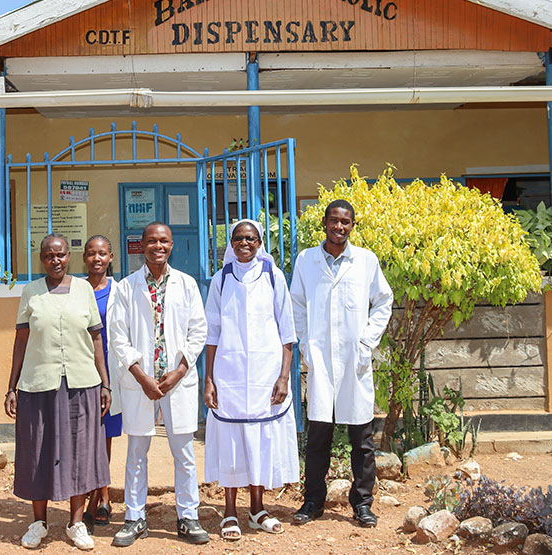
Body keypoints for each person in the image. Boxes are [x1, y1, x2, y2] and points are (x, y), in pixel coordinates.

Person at [290, 200, 393, 528]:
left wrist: (366, 342)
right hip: (320, 359)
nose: (339, 227)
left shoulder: (365, 261)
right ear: (324, 222)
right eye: (334, 221)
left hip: (354, 360)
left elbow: (384, 301)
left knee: (362, 439)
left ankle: (362, 504)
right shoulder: (306, 260)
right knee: (318, 436)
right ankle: (313, 501)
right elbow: (296, 305)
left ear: (352, 225)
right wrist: (305, 344)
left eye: (345, 222)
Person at [5, 233, 111, 551]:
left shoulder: (83, 290)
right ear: (41, 259)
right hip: (38, 384)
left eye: (61, 255)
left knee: (80, 452)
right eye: (49, 256)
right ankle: (39, 522)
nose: (56, 261)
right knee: (38, 450)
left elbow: (95, 340)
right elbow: (21, 341)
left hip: (81, 384)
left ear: (69, 256)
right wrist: (11, 387)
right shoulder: (31, 292)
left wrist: (105, 383)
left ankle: (76, 524)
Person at [108, 221, 209, 547]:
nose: (157, 246)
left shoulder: (187, 284)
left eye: (163, 241)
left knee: (183, 451)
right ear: (142, 245)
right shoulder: (127, 287)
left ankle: (187, 516)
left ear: (171, 245)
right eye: (151, 241)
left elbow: (198, 330)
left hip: (177, 380)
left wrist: (179, 371)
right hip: (142, 381)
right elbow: (118, 336)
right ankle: (135, 517)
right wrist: (141, 375)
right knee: (137, 451)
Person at [203, 219, 299, 540]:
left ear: (259, 243)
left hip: (266, 374)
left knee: (259, 437)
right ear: (231, 243)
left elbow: (287, 329)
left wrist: (284, 376)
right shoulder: (221, 279)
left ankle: (257, 509)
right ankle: (230, 511)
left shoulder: (274, 276)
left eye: (251, 238)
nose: (244, 243)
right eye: (238, 239)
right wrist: (209, 379)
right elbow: (212, 333)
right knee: (232, 438)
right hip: (228, 374)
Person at [81, 235, 122, 530]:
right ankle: (98, 498)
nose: (97, 258)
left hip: (111, 372)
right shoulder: (75, 290)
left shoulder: (119, 292)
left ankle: (100, 499)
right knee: (85, 438)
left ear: (110, 258)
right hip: (82, 371)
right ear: (84, 257)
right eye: (91, 253)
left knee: (104, 438)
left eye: (102, 253)